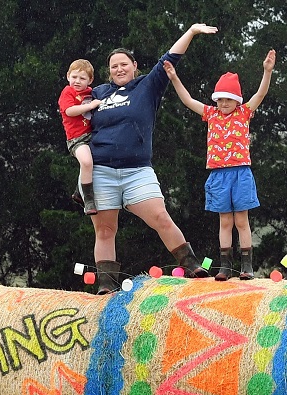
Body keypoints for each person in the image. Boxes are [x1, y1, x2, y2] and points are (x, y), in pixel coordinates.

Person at [85, 23, 219, 293]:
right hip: (101, 172)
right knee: (105, 230)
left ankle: (192, 265)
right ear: (108, 71)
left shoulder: (147, 86)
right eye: (113, 66)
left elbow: (170, 57)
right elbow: (69, 107)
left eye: (124, 64)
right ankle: (106, 285)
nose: (119, 69)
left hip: (137, 171)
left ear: (134, 66)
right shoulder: (97, 93)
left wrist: (191, 32)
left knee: (160, 216)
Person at [163, 49, 275, 280]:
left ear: (237, 100)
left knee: (241, 220)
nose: (224, 103)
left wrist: (267, 71)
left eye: (229, 99)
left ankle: (247, 267)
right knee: (224, 221)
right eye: (220, 99)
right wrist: (174, 78)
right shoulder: (211, 114)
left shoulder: (244, 113)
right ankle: (225, 266)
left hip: (240, 173)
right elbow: (188, 100)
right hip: (218, 175)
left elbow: (261, 94)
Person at [58, 59, 101, 215]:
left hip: (92, 135)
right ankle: (88, 199)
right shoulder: (68, 92)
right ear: (68, 76)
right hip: (77, 138)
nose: (77, 81)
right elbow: (70, 111)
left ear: (90, 80)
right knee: (86, 161)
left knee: (102, 157)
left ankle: (79, 191)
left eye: (82, 78)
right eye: (74, 77)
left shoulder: (91, 92)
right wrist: (90, 106)